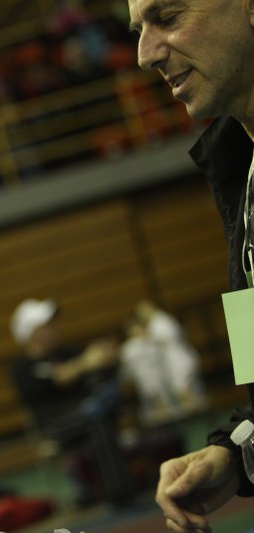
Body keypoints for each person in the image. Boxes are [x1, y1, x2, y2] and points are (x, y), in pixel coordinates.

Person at [128, 0, 254, 530]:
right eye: (139, 30)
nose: (144, 53)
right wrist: (236, 452)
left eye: (170, 16)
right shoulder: (237, 173)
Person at [8, 298, 133, 507]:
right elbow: (60, 377)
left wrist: (105, 356)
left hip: (87, 415)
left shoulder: (67, 353)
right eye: (47, 326)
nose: (54, 329)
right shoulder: (22, 368)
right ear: (32, 333)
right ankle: (119, 495)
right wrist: (87, 362)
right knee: (98, 417)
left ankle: (110, 488)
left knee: (101, 413)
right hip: (55, 425)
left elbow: (93, 362)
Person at [119, 300, 207, 425]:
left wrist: (147, 335)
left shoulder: (161, 321)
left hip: (177, 359)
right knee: (169, 396)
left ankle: (197, 418)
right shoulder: (132, 345)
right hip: (157, 371)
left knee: (185, 388)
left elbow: (167, 337)